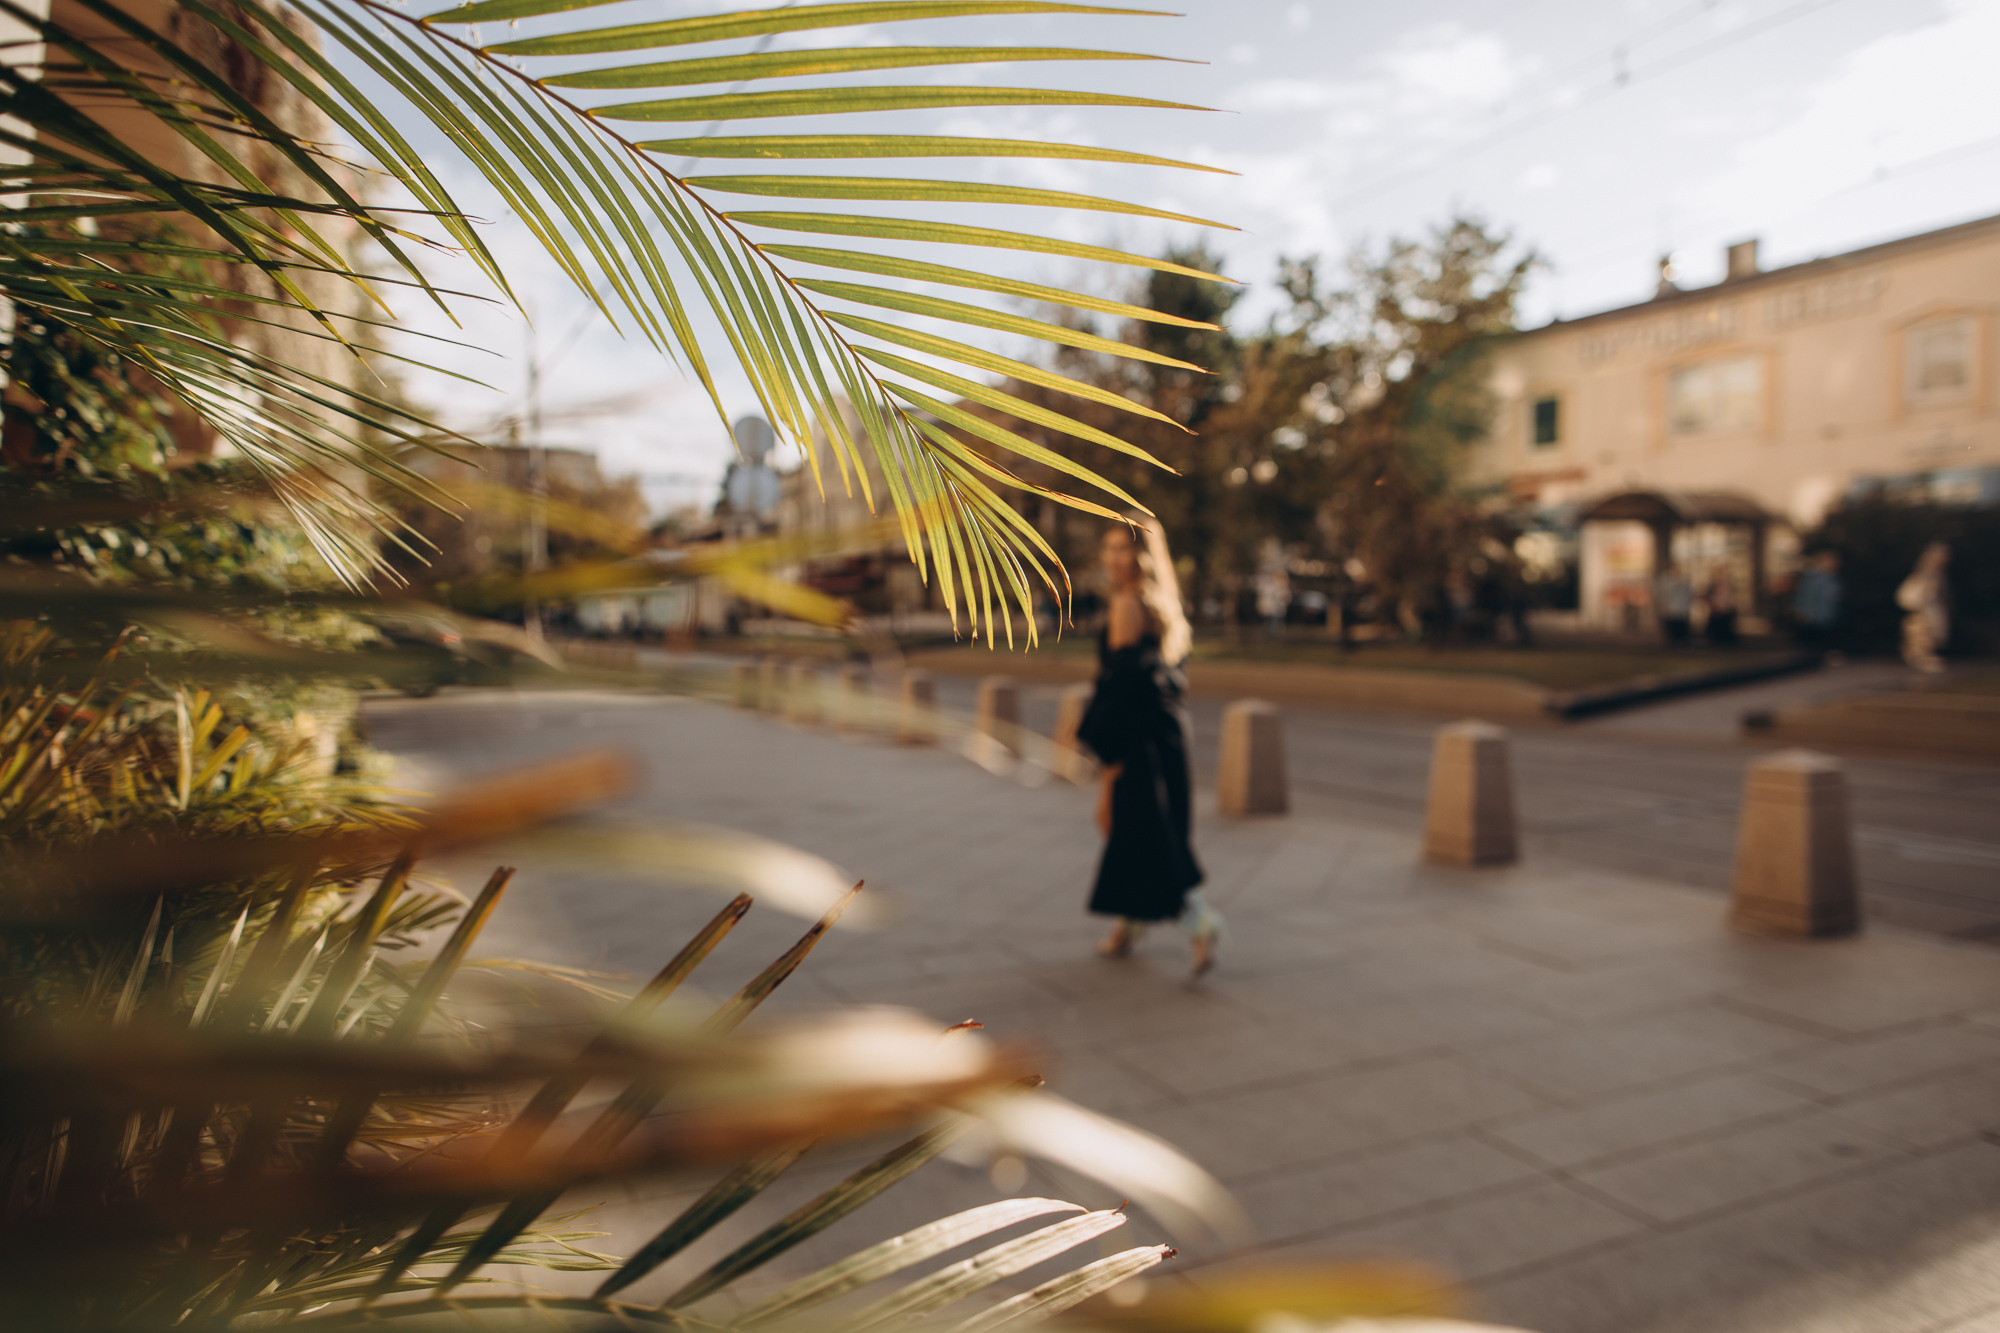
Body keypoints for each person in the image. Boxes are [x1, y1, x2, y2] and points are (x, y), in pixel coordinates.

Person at [1075, 517, 1221, 977]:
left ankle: (1201, 922)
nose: (1114, 558)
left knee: (1148, 839)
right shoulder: (1165, 606)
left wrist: (1109, 767)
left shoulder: (1125, 605)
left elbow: (1118, 690)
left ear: (1141, 559)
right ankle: (1129, 925)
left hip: (1138, 743)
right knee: (1144, 837)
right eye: (1109, 547)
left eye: (1124, 549)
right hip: (1168, 738)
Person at [1897, 541, 1951, 674]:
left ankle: (1922, 658)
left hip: (1928, 610)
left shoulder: (1936, 575)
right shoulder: (1925, 574)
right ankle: (1920, 659)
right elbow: (1921, 595)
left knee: (1929, 636)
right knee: (1921, 637)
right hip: (1921, 611)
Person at [1793, 551, 1843, 650]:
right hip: (1816, 615)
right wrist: (1801, 610)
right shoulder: (1813, 579)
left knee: (1827, 636)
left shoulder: (1835, 578)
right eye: (1830, 562)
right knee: (1817, 637)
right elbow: (1803, 595)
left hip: (1829, 615)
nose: (1833, 564)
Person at [1655, 563, 1694, 646]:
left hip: (1681, 609)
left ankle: (1682, 642)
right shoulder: (1665, 580)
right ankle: (1672, 642)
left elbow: (1688, 594)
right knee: (1671, 627)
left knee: (1680, 627)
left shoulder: (1683, 580)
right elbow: (1661, 593)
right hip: (1670, 608)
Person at [1702, 569, 1739, 646]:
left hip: (1724, 612)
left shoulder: (1727, 586)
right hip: (1717, 612)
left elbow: (1728, 600)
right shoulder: (1713, 586)